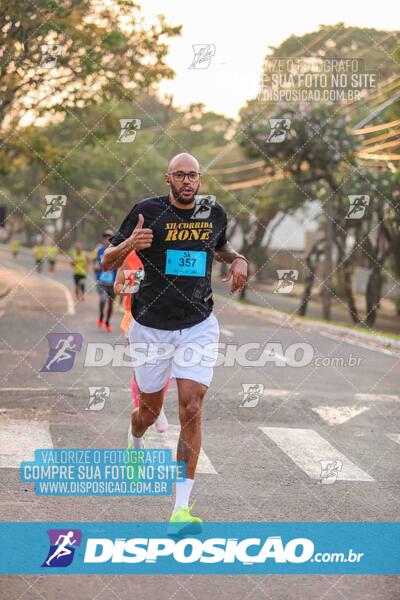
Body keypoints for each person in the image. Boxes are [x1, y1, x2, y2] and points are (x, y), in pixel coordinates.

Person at [102, 152, 248, 532]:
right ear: (168, 178)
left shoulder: (212, 211)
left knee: (191, 407)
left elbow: (219, 246)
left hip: (198, 324)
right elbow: (107, 262)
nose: (187, 181)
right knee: (149, 412)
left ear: (199, 179)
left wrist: (237, 258)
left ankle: (180, 510)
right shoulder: (146, 212)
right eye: (180, 175)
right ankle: (135, 438)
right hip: (150, 325)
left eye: (193, 176)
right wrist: (130, 243)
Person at [114, 250, 169, 434]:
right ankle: (147, 413)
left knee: (166, 366)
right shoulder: (129, 253)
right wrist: (144, 280)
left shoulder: (169, 249)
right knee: (141, 368)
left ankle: (155, 408)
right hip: (135, 318)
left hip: (165, 318)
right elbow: (118, 287)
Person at [93, 230, 116, 332]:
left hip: (112, 281)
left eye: (109, 238)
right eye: (105, 237)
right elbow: (97, 263)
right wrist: (96, 269)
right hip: (102, 280)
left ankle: (107, 321)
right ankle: (101, 315)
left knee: (111, 303)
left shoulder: (116, 250)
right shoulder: (100, 250)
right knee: (102, 299)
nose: (107, 239)